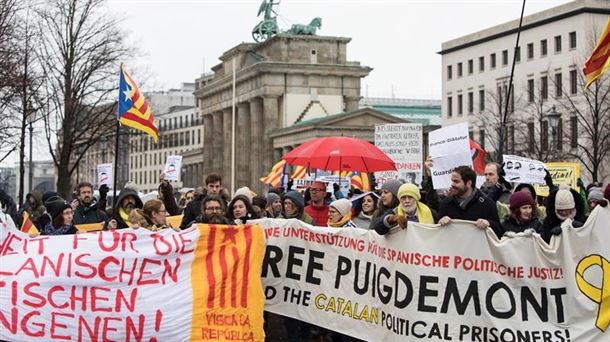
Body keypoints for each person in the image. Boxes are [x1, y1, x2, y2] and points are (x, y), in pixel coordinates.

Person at [438, 166, 503, 238]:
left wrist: (489, 224)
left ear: (468, 183)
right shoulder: (446, 203)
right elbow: (437, 233)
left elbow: (499, 232)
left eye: (456, 181)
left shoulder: (487, 204)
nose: (452, 184)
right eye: (452, 181)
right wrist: (440, 222)